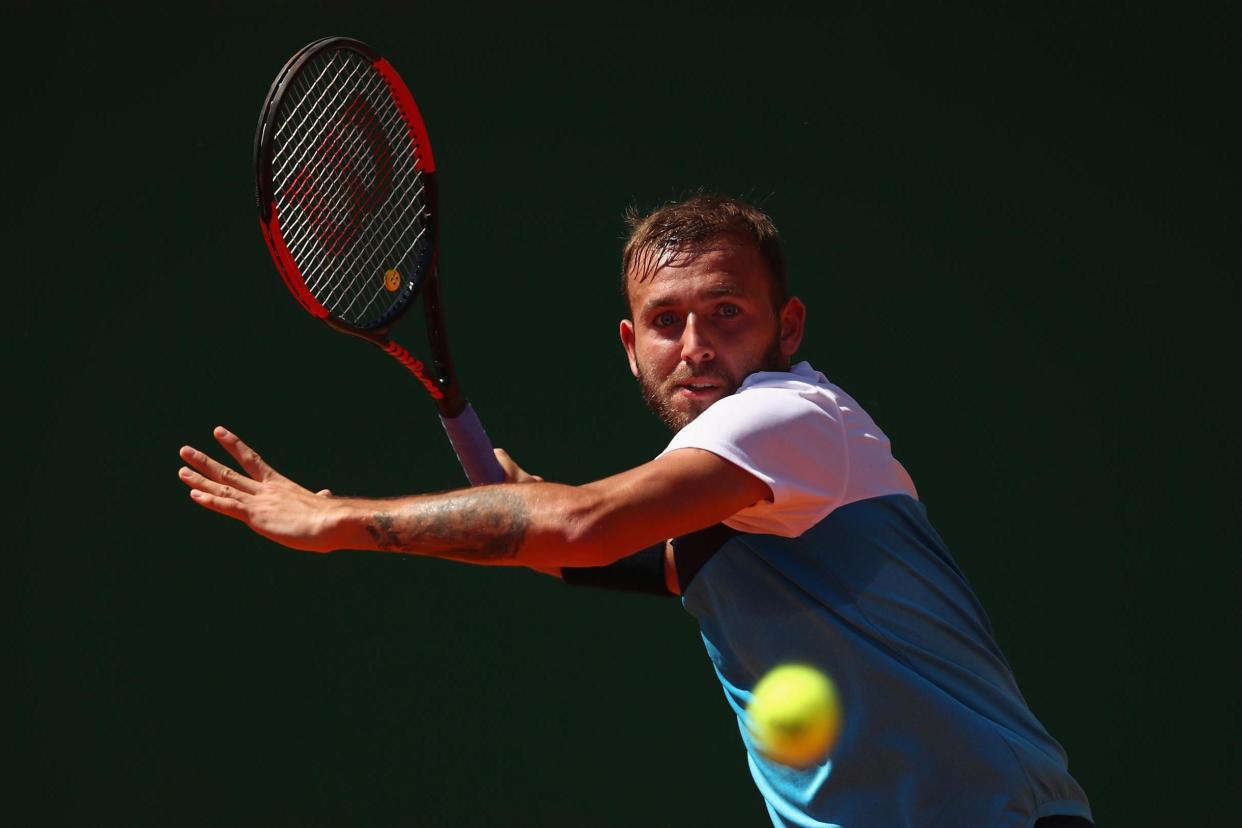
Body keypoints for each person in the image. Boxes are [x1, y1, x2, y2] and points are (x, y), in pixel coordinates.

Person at [179, 195, 1093, 827]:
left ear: (788, 328)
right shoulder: (731, 486)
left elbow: (579, 528)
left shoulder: (790, 416)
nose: (695, 345)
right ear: (631, 344)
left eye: (727, 312)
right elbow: (599, 553)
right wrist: (528, 511)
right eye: (666, 321)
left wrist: (336, 522)